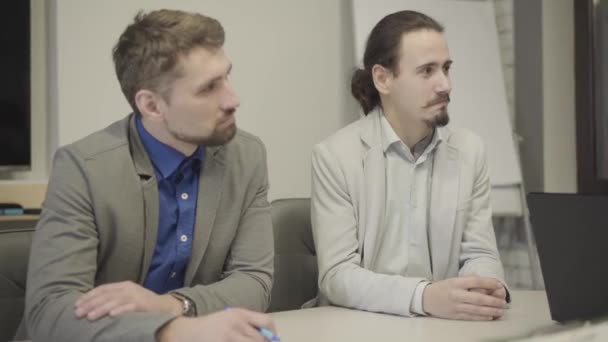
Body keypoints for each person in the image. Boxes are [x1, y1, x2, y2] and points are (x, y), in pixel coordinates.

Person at [25, 9, 276, 341]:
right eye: (208, 88)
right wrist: (172, 332)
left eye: (227, 77)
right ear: (152, 106)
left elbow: (253, 280)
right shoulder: (84, 168)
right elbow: (50, 310)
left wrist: (171, 306)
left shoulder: (247, 156)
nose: (233, 99)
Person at [311, 10, 509, 321]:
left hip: (444, 328)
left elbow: (480, 253)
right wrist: (424, 296)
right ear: (383, 79)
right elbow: (337, 276)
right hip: (360, 327)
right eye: (427, 71)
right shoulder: (335, 156)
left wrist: (486, 285)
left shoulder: (470, 151)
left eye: (446, 68)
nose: (445, 84)